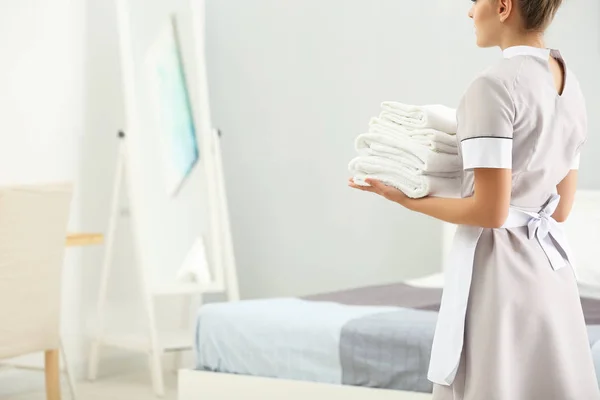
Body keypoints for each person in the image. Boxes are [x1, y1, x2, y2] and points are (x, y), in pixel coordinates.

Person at [349, 0, 600, 398]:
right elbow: (562, 208)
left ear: (503, 7)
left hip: (499, 275)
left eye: (474, 2)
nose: (469, 13)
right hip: (551, 275)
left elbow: (490, 211)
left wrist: (405, 199)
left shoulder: (493, 86)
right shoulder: (570, 85)